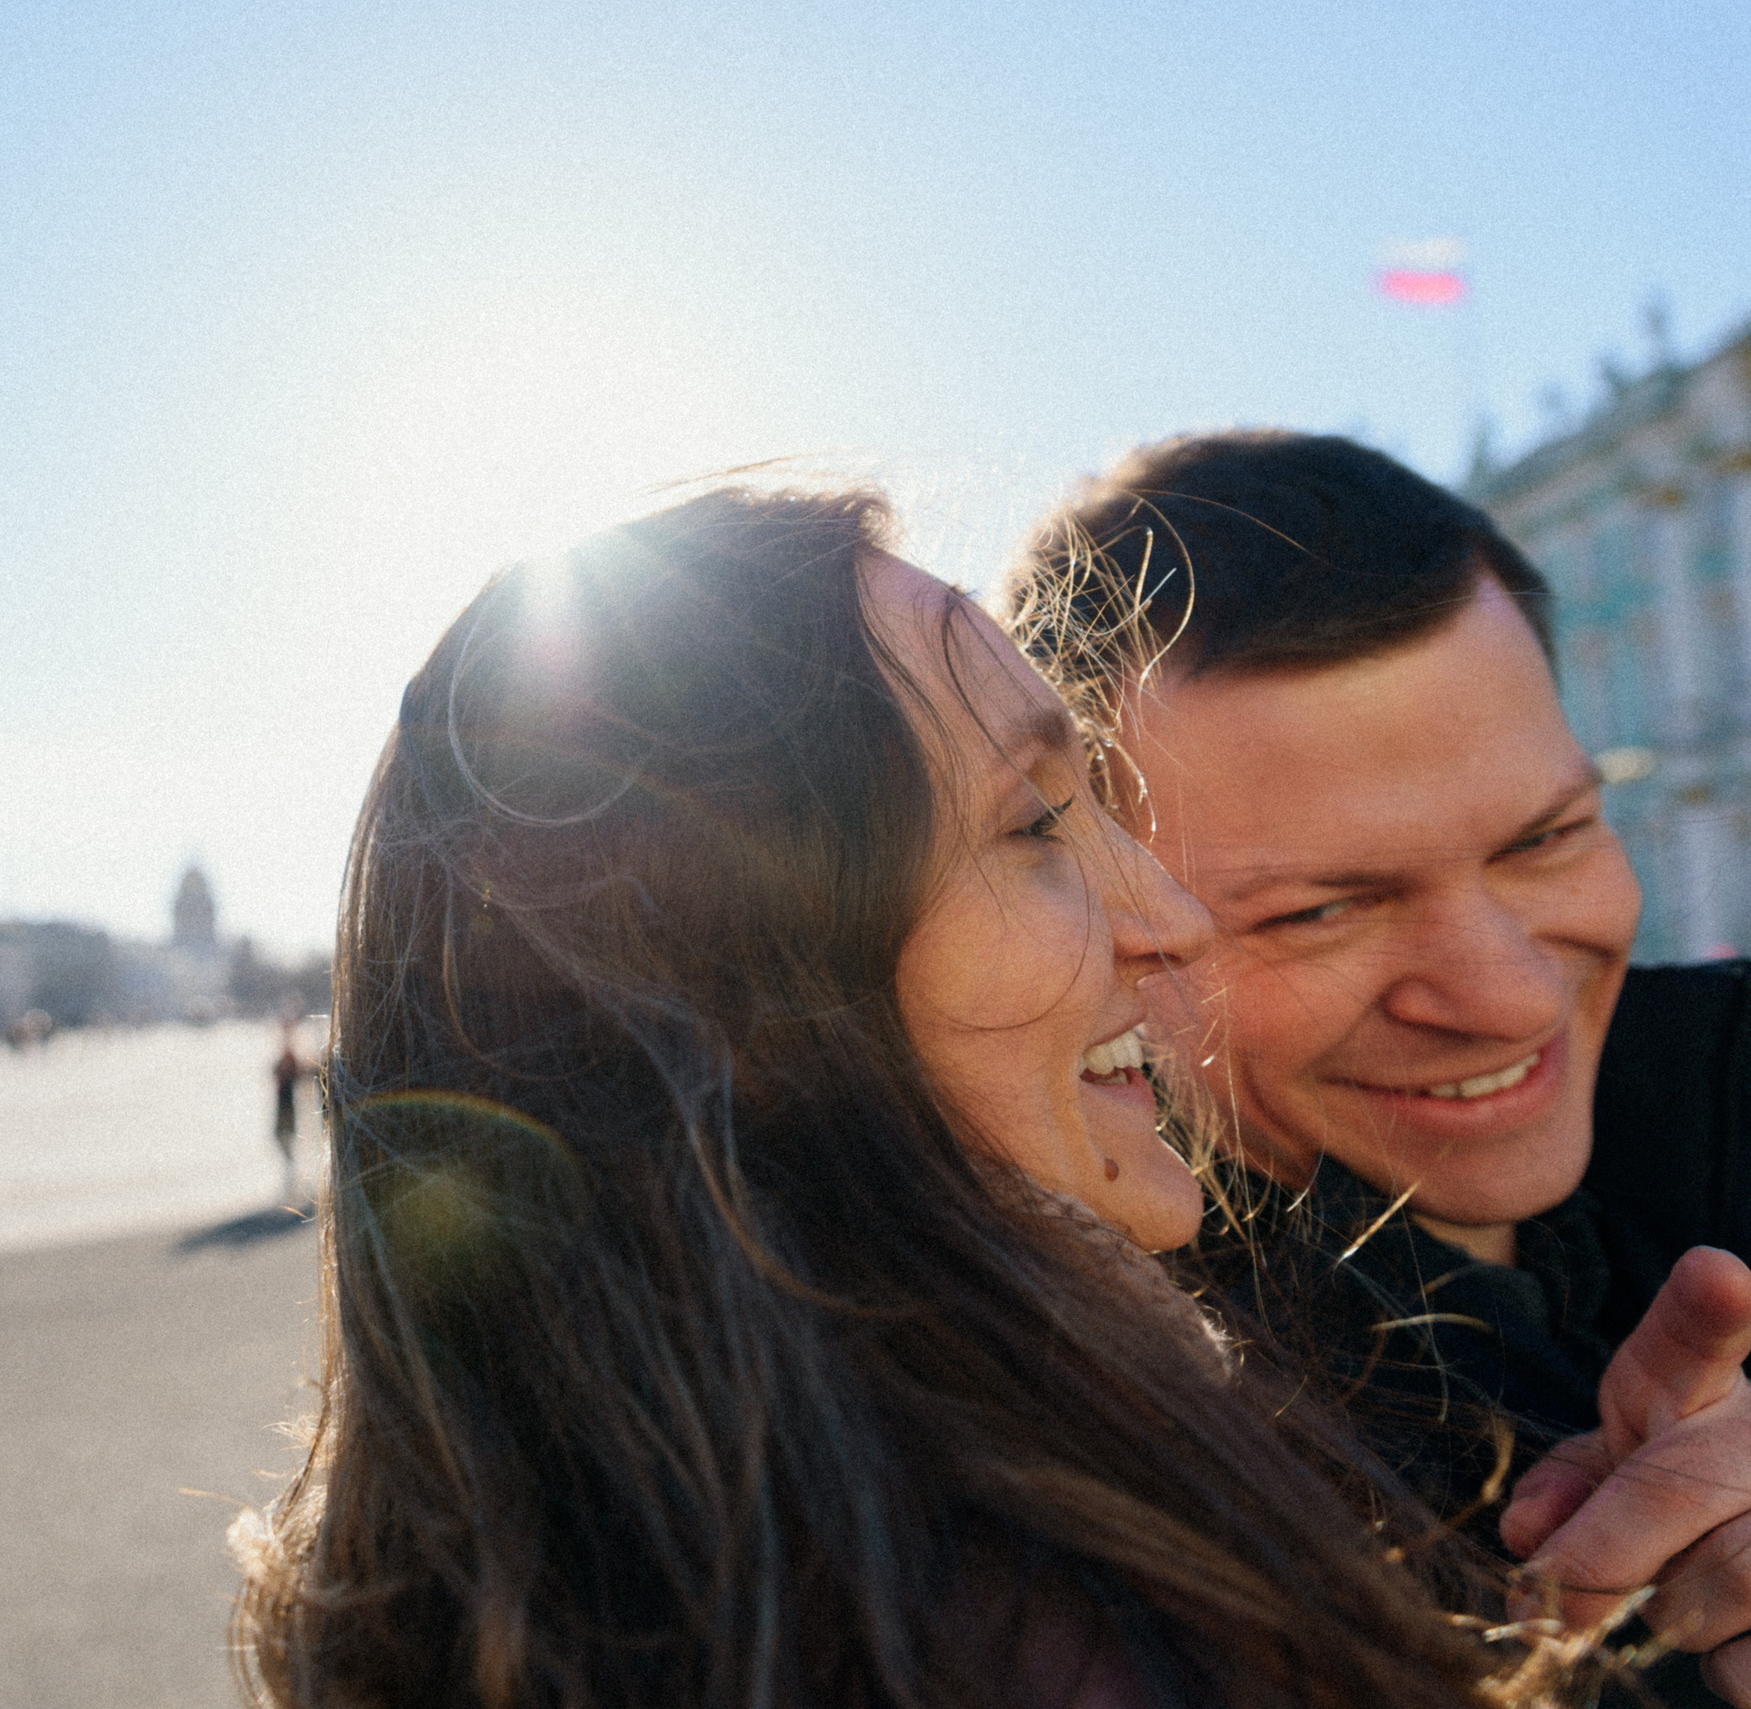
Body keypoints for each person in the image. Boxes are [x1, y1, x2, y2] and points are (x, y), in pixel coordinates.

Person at [232, 486, 1543, 1708]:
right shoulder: (1041, 1633)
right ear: (739, 994)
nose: (1173, 917)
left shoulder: (585, 1579)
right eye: (1033, 826)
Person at [1007, 429, 1751, 1707]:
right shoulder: (1101, 1479)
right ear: (1109, 930)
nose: (1508, 992)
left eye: (1547, 837)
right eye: (1316, 912)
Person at [271, 1021, 313, 1201]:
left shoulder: (291, 1056)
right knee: (283, 1137)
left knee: (284, 1136)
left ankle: (295, 1175)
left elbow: (298, 1074)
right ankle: (293, 1174)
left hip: (288, 1103)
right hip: (284, 1102)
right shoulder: (286, 1054)